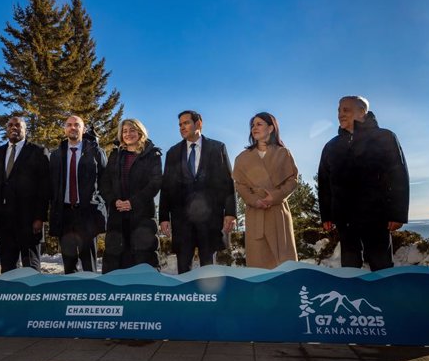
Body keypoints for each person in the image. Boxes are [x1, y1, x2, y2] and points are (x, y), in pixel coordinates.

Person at [318, 95, 409, 271]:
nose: (340, 114)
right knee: (349, 267)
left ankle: (384, 298)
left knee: (381, 265)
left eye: (346, 110)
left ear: (362, 112)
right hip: (345, 218)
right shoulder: (331, 146)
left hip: (377, 215)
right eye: (339, 110)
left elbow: (399, 175)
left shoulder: (385, 137)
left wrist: (397, 214)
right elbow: (324, 181)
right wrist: (327, 215)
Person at [159, 110, 237, 273]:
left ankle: (209, 298)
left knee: (209, 269)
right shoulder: (172, 153)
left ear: (199, 123)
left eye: (186, 123)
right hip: (181, 220)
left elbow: (227, 183)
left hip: (210, 218)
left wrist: (230, 213)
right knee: (183, 268)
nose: (182, 127)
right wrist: (164, 217)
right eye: (180, 125)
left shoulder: (217, 148)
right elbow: (166, 186)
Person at [233, 112, 299, 269]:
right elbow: (240, 185)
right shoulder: (242, 157)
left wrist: (275, 196)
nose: (254, 128)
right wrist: (253, 200)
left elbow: (292, 180)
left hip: (277, 211)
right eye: (252, 125)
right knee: (258, 264)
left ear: (271, 128)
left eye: (259, 124)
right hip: (255, 212)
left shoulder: (283, 153)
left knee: (283, 262)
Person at [0, 115, 50, 272]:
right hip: (3, 221)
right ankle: (10, 296)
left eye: (18, 125)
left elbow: (44, 188)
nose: (13, 128)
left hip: (29, 220)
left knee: (31, 267)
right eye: (10, 125)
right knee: (8, 268)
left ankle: (31, 296)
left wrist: (39, 217)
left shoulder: (38, 152)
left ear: (25, 129)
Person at [100, 119, 162, 273]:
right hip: (117, 218)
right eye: (125, 131)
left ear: (140, 132)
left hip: (142, 217)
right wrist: (114, 202)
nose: (128, 134)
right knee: (115, 265)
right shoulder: (115, 155)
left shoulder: (152, 154)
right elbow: (105, 183)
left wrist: (132, 202)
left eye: (132, 130)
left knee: (143, 263)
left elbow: (155, 183)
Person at [49, 115, 107, 273]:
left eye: (77, 125)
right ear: (65, 129)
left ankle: (91, 295)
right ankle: (71, 294)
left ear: (83, 129)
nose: (73, 127)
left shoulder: (96, 152)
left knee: (89, 263)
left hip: (87, 213)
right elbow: (52, 186)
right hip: (65, 214)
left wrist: (99, 205)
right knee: (68, 263)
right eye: (69, 125)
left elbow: (106, 182)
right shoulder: (56, 155)